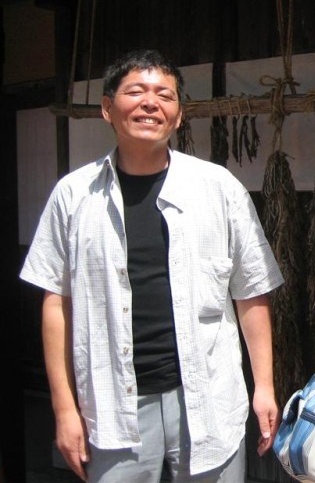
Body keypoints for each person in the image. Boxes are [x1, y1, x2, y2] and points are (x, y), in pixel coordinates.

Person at [20, 49, 284, 482]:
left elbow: (251, 291)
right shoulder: (73, 196)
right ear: (108, 108)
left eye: (165, 95)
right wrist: (64, 408)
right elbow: (56, 302)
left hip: (207, 399)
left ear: (178, 116)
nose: (150, 103)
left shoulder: (218, 189)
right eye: (135, 92)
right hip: (111, 406)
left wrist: (265, 387)